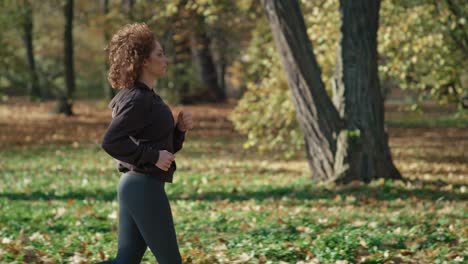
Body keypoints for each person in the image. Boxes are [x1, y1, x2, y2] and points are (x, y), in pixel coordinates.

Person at [97, 22, 194, 264]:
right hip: (142, 186)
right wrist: (152, 157)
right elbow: (111, 141)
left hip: (138, 185)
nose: (166, 60)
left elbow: (159, 147)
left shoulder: (145, 96)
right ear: (143, 61)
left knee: (126, 260)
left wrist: (178, 132)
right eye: (159, 54)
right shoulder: (138, 99)